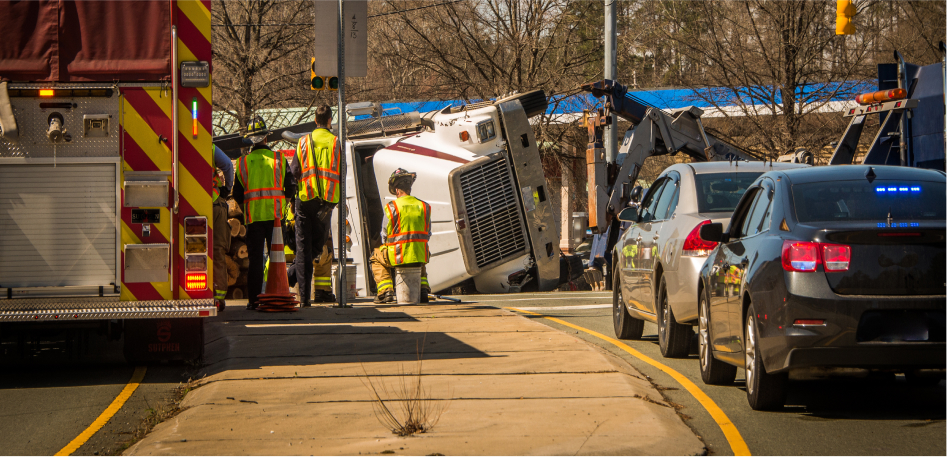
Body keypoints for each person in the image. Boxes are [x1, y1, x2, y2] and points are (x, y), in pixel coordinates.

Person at [233, 116, 295, 310]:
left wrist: (248, 208)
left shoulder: (243, 163)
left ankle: (254, 300)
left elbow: (237, 194)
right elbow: (291, 188)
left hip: (253, 219)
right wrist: (283, 204)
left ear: (250, 140)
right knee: (276, 259)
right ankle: (276, 295)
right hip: (276, 218)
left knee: (255, 262)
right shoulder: (278, 159)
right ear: (266, 138)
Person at [289, 105, 339, 306]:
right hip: (324, 205)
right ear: (329, 121)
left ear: (315, 121)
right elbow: (341, 173)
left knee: (304, 250)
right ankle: (300, 289)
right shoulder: (336, 143)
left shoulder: (302, 143)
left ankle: (301, 292)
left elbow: (294, 172)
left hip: (304, 201)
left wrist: (292, 202)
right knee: (316, 247)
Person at [370, 168, 431, 304]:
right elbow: (428, 233)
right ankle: (423, 290)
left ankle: (386, 292)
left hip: (397, 256)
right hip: (420, 255)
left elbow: (384, 234)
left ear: (396, 190)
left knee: (375, 257)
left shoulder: (391, 207)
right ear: (409, 187)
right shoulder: (424, 206)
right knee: (417, 257)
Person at [211, 145, 234, 313]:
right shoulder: (209, 147)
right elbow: (227, 165)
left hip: (188, 207)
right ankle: (218, 298)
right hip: (213, 203)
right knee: (217, 251)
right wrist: (227, 188)